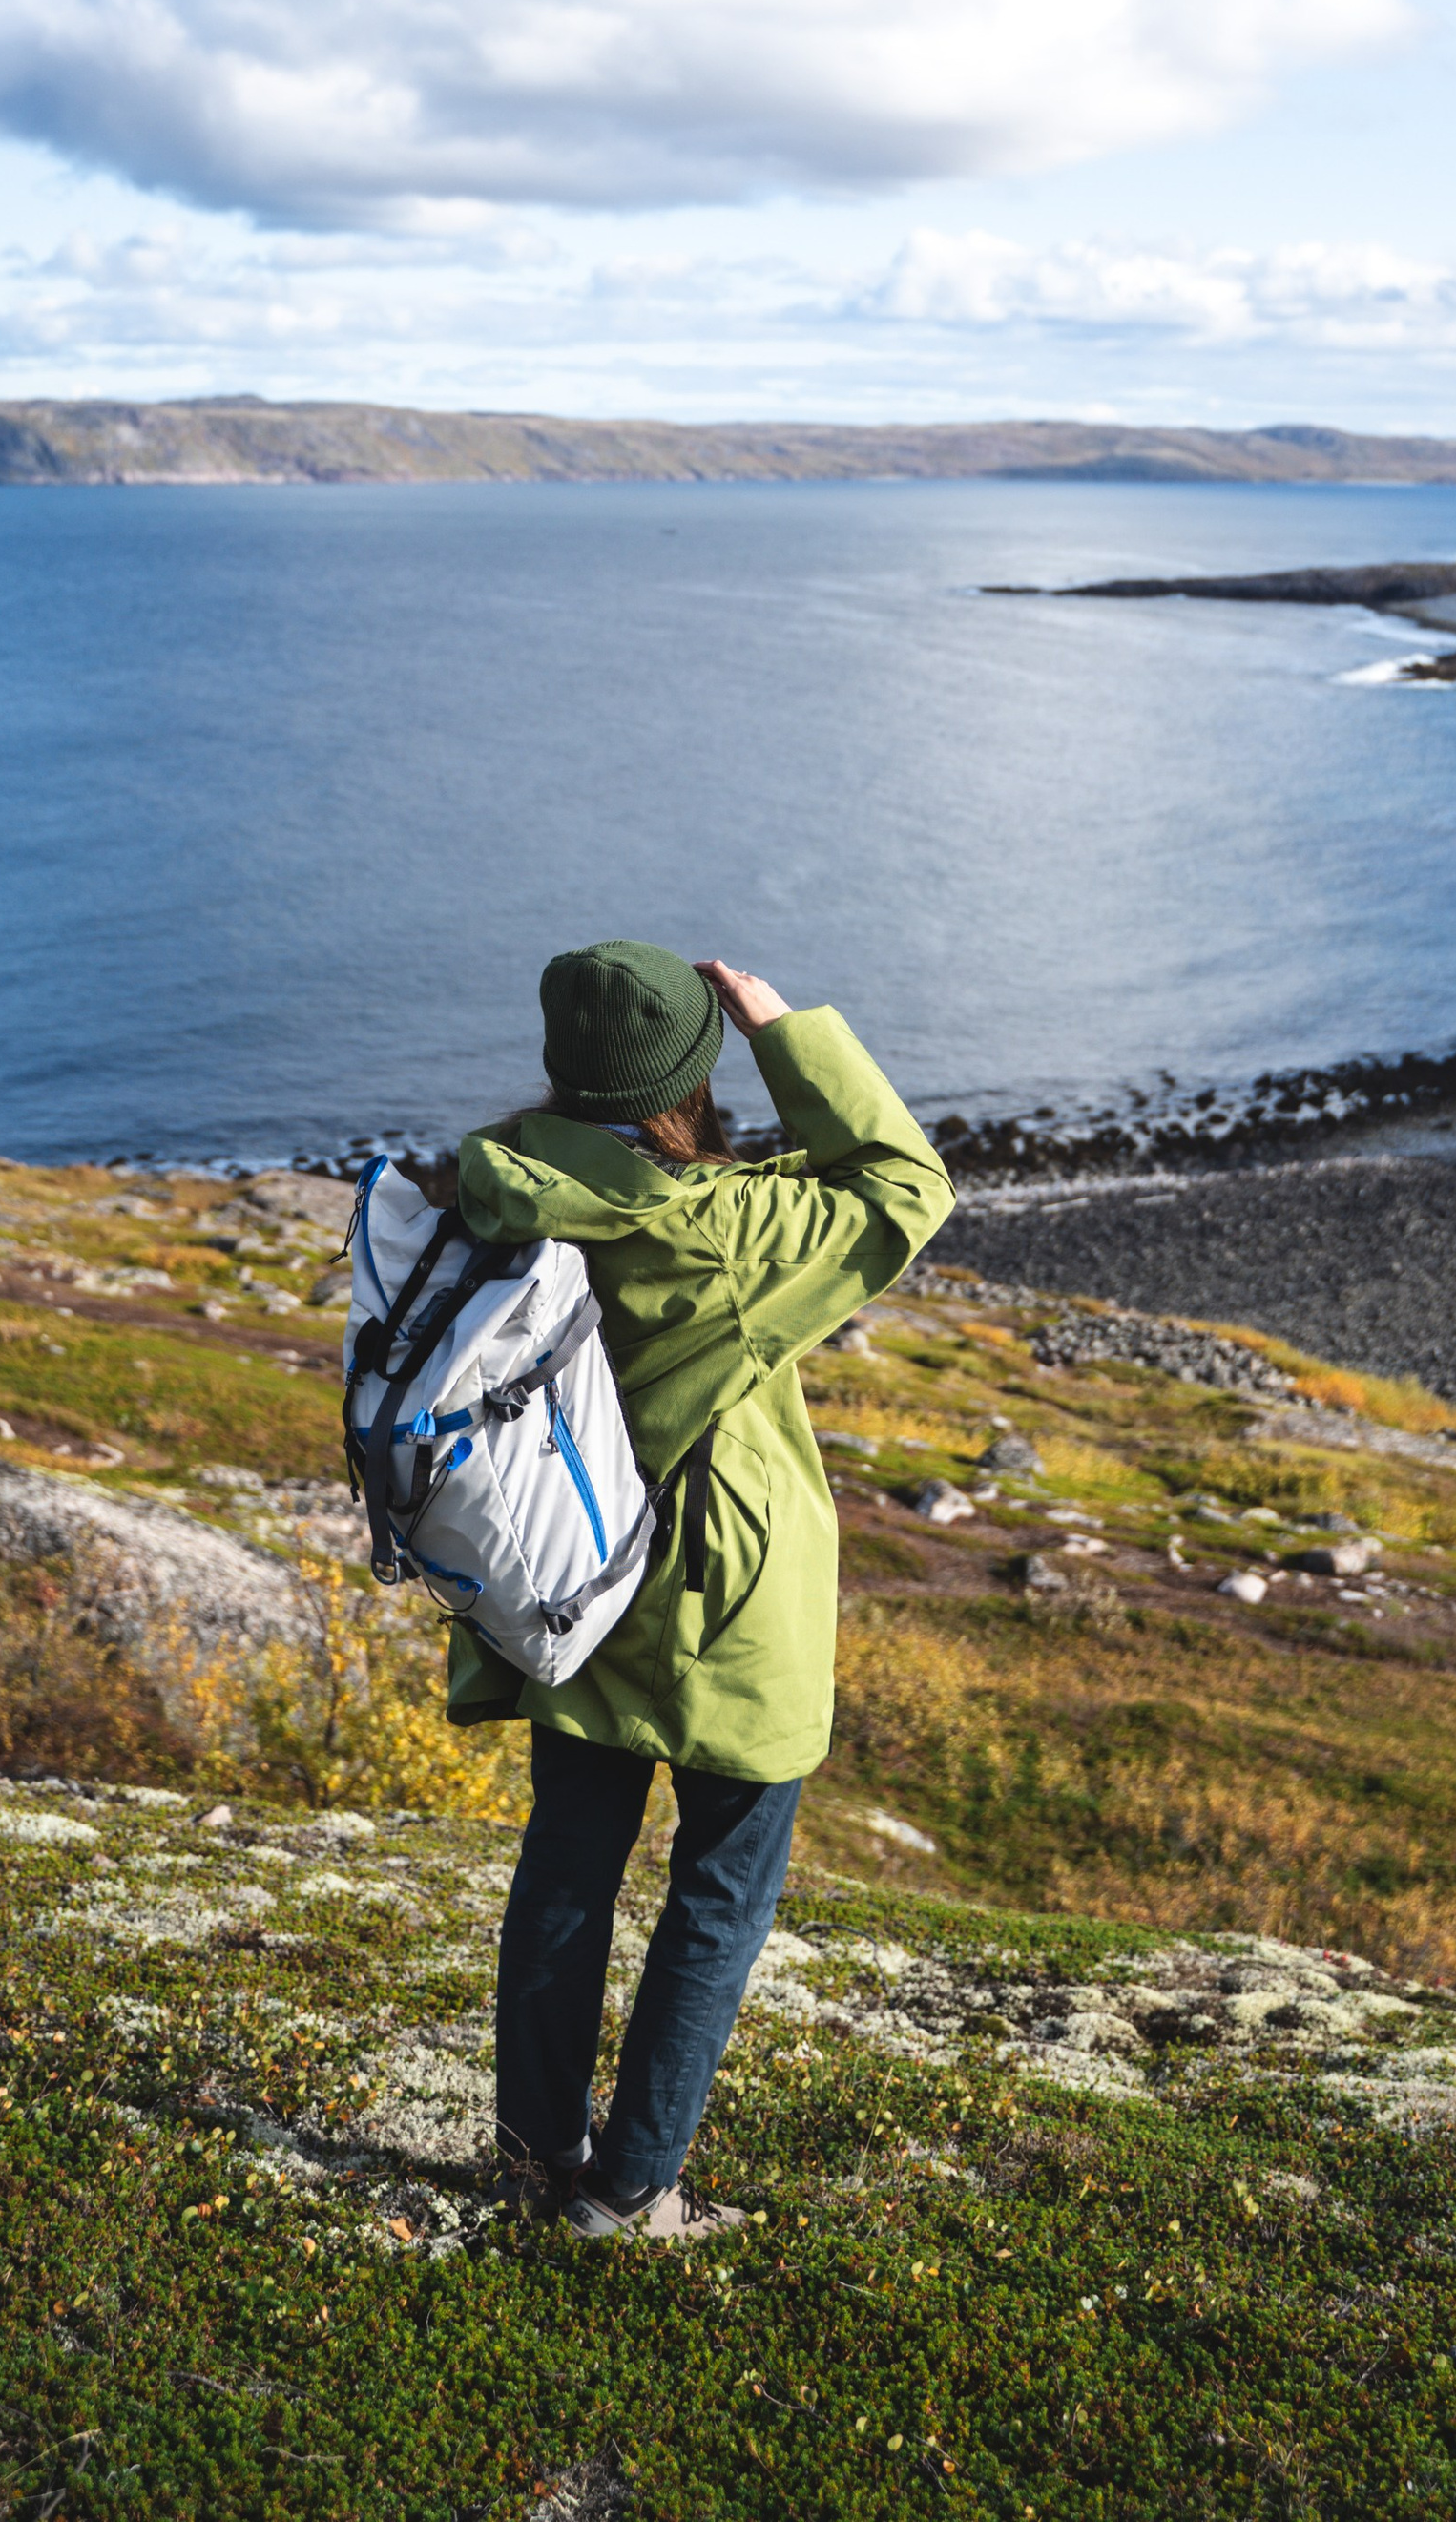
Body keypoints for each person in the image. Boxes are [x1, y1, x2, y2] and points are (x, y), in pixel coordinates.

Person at [447, 937, 953, 2241]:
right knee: (717, 1893)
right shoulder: (728, 1234)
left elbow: (663, 1188)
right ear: (690, 1078)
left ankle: (530, 2157)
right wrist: (785, 1030)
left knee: (568, 1866)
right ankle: (626, 2192)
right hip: (723, 1603)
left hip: (563, 1579)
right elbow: (903, 1185)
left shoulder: (496, 1188)